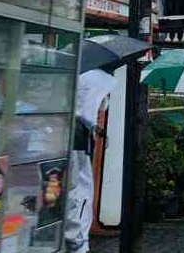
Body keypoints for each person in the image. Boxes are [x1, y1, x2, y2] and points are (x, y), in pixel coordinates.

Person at [65, 68, 117, 253]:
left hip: (76, 137)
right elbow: (90, 110)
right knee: (81, 190)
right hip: (80, 141)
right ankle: (78, 241)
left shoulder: (84, 76)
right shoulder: (101, 79)